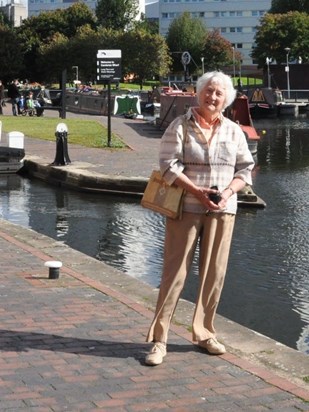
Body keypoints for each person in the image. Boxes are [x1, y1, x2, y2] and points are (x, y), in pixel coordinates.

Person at [145, 71, 255, 366]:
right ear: (199, 92)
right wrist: (198, 190)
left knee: (214, 275)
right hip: (186, 208)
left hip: (223, 211)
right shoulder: (180, 126)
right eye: (209, 90)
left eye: (219, 93)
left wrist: (229, 192)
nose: (213, 97)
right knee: (174, 274)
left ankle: (205, 332)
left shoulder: (234, 130)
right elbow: (167, 165)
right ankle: (159, 339)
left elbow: (245, 169)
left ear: (226, 99)